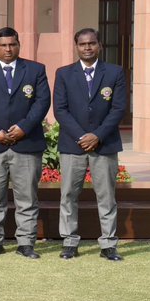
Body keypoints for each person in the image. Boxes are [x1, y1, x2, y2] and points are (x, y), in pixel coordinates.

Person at [0, 27, 51, 259]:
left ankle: (26, 243)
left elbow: (42, 102)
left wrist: (24, 127)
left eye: (12, 44)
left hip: (26, 144)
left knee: (26, 197)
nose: (8, 49)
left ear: (19, 45)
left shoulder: (35, 70)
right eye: (3, 45)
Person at [53, 28, 127, 262]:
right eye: (83, 44)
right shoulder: (64, 73)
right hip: (73, 145)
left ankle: (108, 244)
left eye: (92, 43)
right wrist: (82, 136)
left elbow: (118, 109)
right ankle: (69, 242)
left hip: (104, 144)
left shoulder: (114, 73)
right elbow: (60, 110)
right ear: (76, 46)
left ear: (99, 45)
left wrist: (97, 135)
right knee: (69, 195)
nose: (87, 47)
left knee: (106, 196)